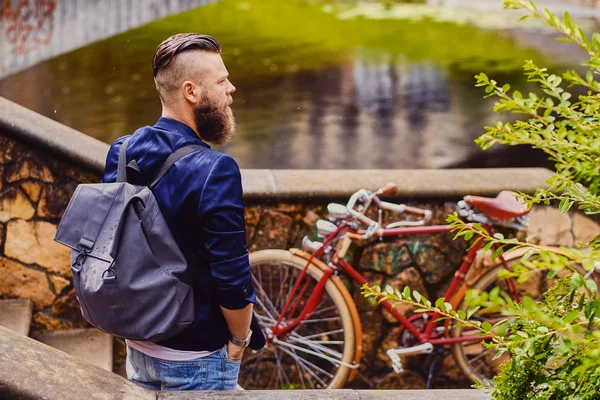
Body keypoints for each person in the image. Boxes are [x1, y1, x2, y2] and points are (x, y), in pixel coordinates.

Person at [102, 33, 264, 391]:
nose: (231, 89)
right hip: (197, 359)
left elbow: (109, 247)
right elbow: (232, 279)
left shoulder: (123, 151)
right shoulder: (215, 169)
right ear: (191, 92)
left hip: (139, 343)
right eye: (222, 81)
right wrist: (238, 344)